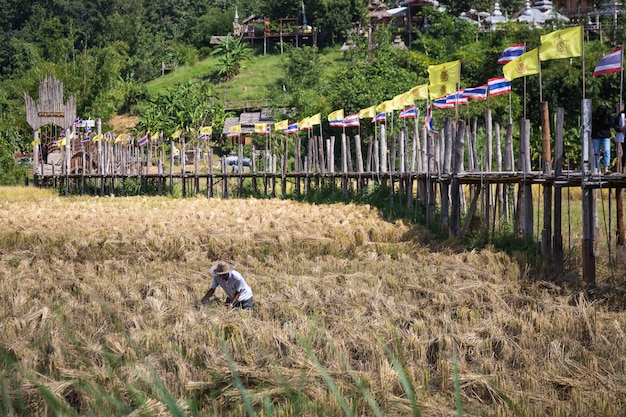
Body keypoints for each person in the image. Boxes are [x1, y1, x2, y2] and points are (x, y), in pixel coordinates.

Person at [591, 104, 613, 174]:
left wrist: (605, 121)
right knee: (596, 153)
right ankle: (598, 169)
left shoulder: (607, 113)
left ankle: (606, 168)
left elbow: (612, 123)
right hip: (596, 136)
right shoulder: (594, 114)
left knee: (606, 151)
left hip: (605, 136)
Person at [614, 103, 626, 172]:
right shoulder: (621, 115)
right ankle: (623, 168)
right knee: (625, 152)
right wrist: (621, 129)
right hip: (623, 136)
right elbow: (615, 125)